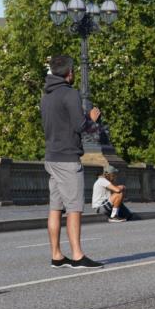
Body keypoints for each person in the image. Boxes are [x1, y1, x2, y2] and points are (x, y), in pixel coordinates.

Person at [41, 55, 103, 269]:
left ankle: (56, 255)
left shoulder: (46, 96)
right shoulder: (70, 94)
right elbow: (80, 126)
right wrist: (92, 119)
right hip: (68, 158)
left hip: (51, 156)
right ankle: (77, 255)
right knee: (74, 207)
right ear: (69, 73)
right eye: (73, 70)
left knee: (55, 208)